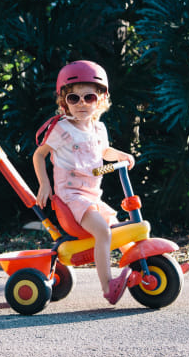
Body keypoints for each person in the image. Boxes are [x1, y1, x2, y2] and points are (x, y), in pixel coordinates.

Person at [33, 60, 135, 305]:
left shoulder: (98, 128)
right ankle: (107, 285)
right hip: (72, 197)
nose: (81, 104)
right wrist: (44, 184)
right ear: (63, 102)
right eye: (73, 98)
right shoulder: (62, 129)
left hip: (92, 197)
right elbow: (39, 154)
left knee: (122, 229)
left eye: (88, 97)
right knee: (102, 232)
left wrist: (120, 155)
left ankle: (144, 268)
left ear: (100, 100)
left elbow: (104, 151)